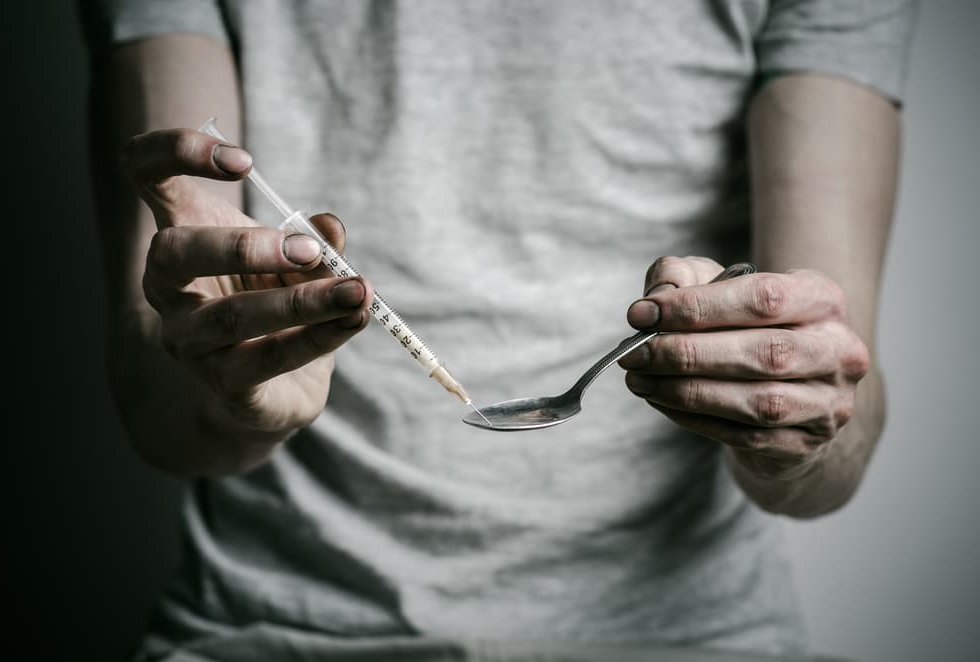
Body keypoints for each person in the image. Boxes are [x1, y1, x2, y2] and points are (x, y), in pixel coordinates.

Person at [79, 1, 917, 660]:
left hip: (681, 638)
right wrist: (233, 393)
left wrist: (788, 409)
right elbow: (159, 415)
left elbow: (835, 442)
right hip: (277, 634)